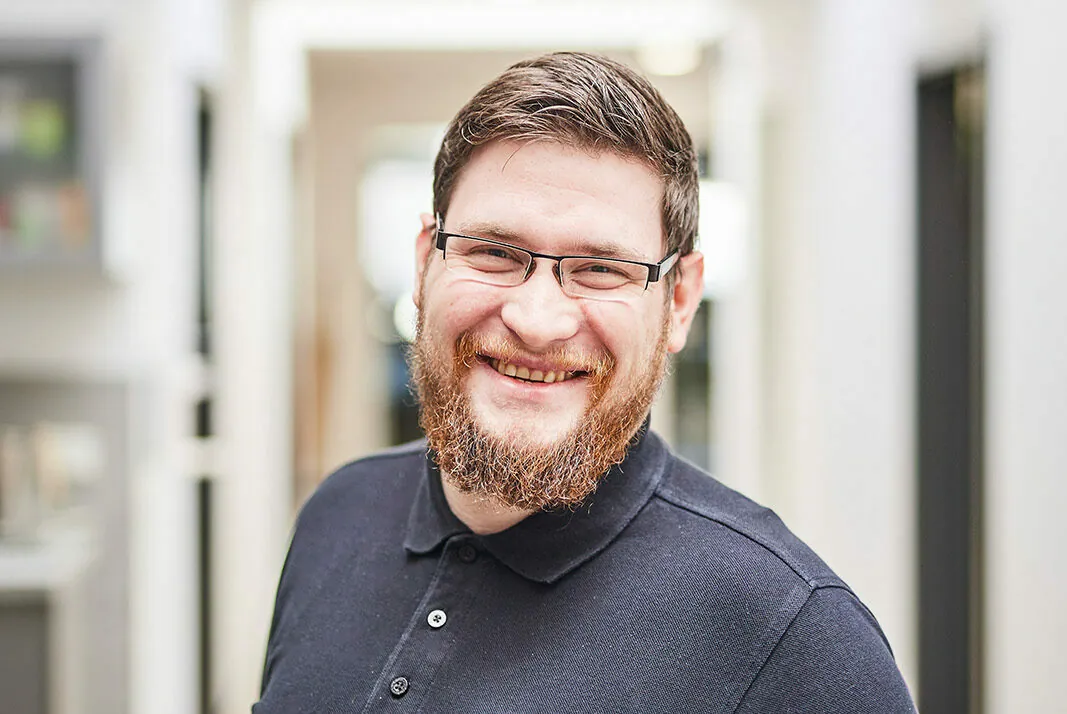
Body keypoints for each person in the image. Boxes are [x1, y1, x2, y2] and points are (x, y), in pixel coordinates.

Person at [254, 52, 916, 713]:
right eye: (493, 252)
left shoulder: (793, 639)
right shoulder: (337, 515)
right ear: (426, 262)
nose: (537, 322)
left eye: (601, 268)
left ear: (679, 300)